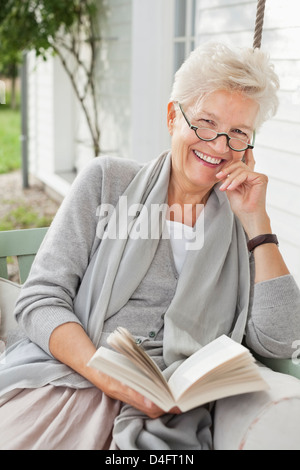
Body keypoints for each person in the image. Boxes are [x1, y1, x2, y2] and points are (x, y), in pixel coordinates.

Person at [0, 42, 300, 450]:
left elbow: (280, 340)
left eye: (238, 133)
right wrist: (108, 376)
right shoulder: (106, 181)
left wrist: (257, 223)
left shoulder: (240, 221)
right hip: (75, 381)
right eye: (206, 122)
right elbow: (40, 300)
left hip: (169, 412)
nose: (218, 145)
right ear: (173, 116)